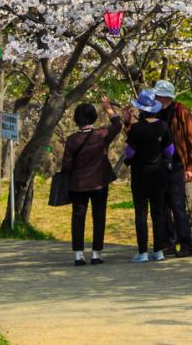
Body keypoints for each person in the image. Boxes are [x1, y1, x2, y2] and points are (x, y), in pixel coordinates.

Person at [59, 95, 122, 265]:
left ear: (76, 120)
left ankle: (78, 255)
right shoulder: (101, 134)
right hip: (99, 183)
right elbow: (118, 125)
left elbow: (66, 165)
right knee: (99, 216)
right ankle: (96, 253)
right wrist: (108, 108)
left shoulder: (72, 140)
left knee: (78, 217)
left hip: (78, 185)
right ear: (93, 117)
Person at [124, 88, 173, 262]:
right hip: (159, 173)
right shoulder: (163, 126)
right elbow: (170, 150)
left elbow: (129, 153)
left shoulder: (136, 129)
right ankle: (158, 250)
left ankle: (143, 252)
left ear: (141, 109)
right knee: (158, 212)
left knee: (141, 213)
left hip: (140, 173)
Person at [152, 79, 192, 257]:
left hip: (178, 163)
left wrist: (190, 166)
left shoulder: (181, 112)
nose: (155, 97)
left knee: (177, 204)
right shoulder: (155, 112)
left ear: (165, 97)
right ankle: (168, 242)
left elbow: (190, 139)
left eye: (158, 95)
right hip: (160, 163)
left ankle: (186, 244)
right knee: (163, 204)